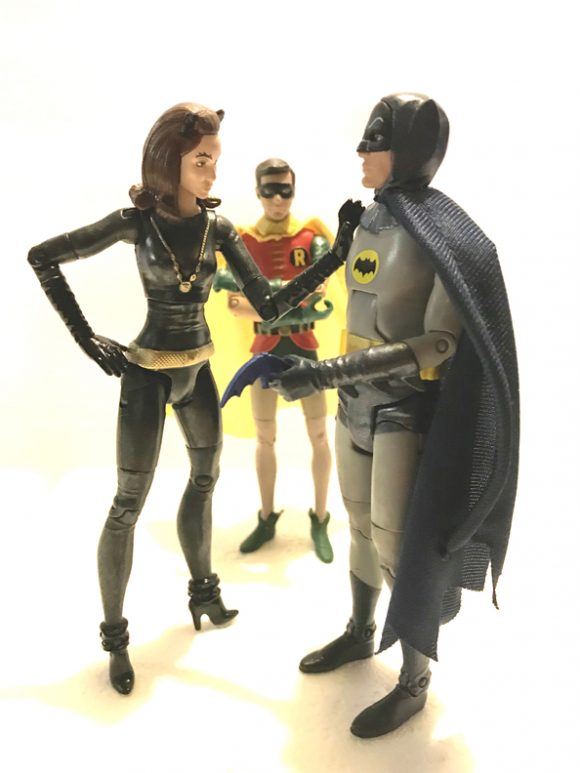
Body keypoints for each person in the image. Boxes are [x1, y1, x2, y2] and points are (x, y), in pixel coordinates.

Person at [28, 102, 361, 695]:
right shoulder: (135, 222)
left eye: (214, 160)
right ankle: (116, 638)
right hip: (147, 373)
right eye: (201, 160)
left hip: (198, 370)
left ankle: (204, 593)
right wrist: (87, 338)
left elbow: (269, 304)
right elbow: (43, 257)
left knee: (205, 480)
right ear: (169, 159)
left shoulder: (219, 228)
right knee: (127, 504)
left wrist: (335, 256)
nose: (211, 172)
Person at [269, 93, 519, 737]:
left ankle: (413, 680)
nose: (362, 150)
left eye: (376, 138)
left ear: (407, 150)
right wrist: (337, 250)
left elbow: (438, 344)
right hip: (355, 403)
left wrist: (326, 373)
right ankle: (360, 631)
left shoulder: (444, 237)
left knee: (395, 544)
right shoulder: (371, 221)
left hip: (403, 409)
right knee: (356, 526)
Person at [217, 158, 335, 563]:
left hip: (304, 349)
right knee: (265, 438)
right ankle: (266, 517)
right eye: (270, 190)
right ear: (258, 192)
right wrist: (290, 302)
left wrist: (266, 303)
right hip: (264, 353)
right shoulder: (242, 243)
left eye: (285, 190)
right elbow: (234, 303)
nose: (278, 199)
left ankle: (321, 516)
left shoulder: (311, 237)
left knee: (319, 436)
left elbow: (317, 294)